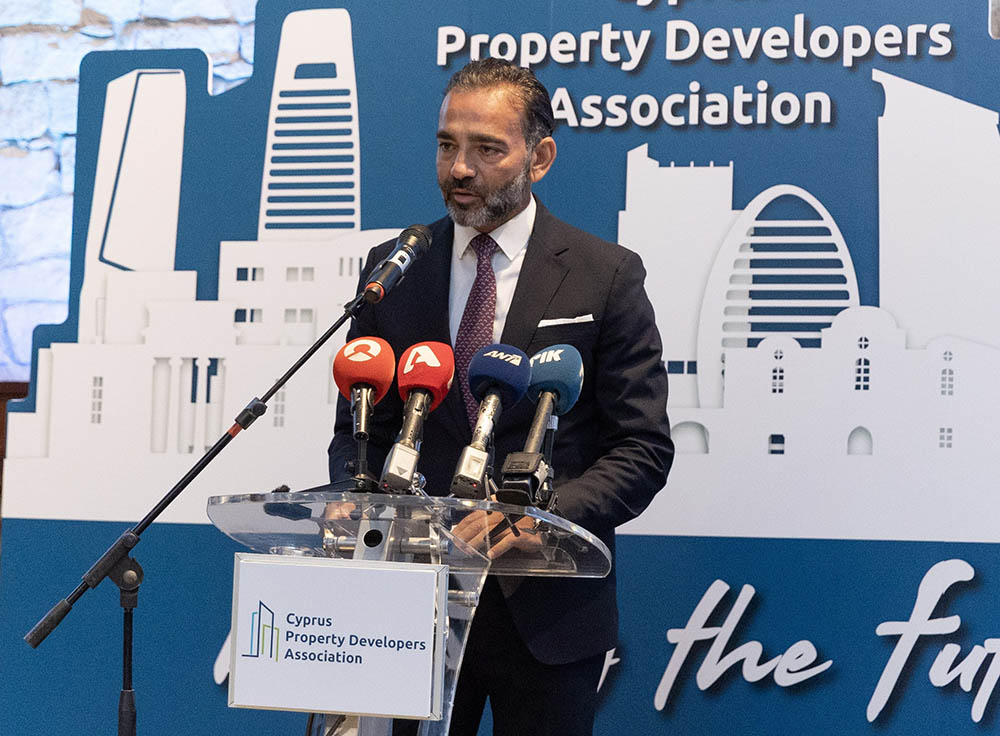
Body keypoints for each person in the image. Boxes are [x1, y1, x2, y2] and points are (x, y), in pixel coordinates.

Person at [328, 58, 673, 736]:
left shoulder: (604, 276)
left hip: (546, 612)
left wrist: (544, 519)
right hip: (410, 605)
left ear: (539, 158)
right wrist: (351, 492)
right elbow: (359, 425)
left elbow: (641, 448)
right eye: (447, 145)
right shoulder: (395, 266)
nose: (459, 169)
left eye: (487, 149)